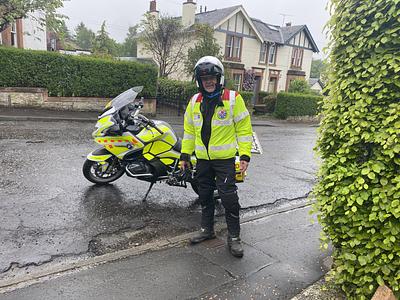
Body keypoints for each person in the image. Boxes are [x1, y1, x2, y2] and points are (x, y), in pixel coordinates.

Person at [180, 56, 253, 258]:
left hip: (225, 161)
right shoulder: (194, 101)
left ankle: (235, 236)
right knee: (204, 195)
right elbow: (189, 132)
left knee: (229, 198)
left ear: (219, 78)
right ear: (199, 81)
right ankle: (207, 230)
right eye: (204, 79)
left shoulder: (233, 98)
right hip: (202, 160)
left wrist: (245, 155)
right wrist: (185, 155)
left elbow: (244, 129)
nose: (209, 82)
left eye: (212, 77)